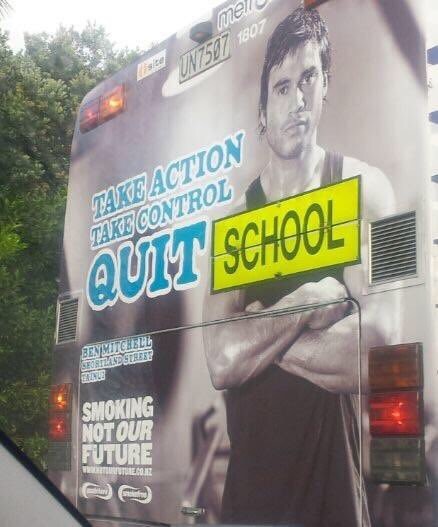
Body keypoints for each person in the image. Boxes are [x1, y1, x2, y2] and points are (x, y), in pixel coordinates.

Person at [203, 6, 399, 527]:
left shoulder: (365, 190)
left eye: (309, 78)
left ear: (325, 84)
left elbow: (376, 352)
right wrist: (306, 305)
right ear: (263, 108)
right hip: (251, 502)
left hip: (334, 497)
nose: (297, 101)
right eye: (282, 87)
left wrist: (259, 331)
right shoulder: (233, 222)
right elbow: (220, 361)